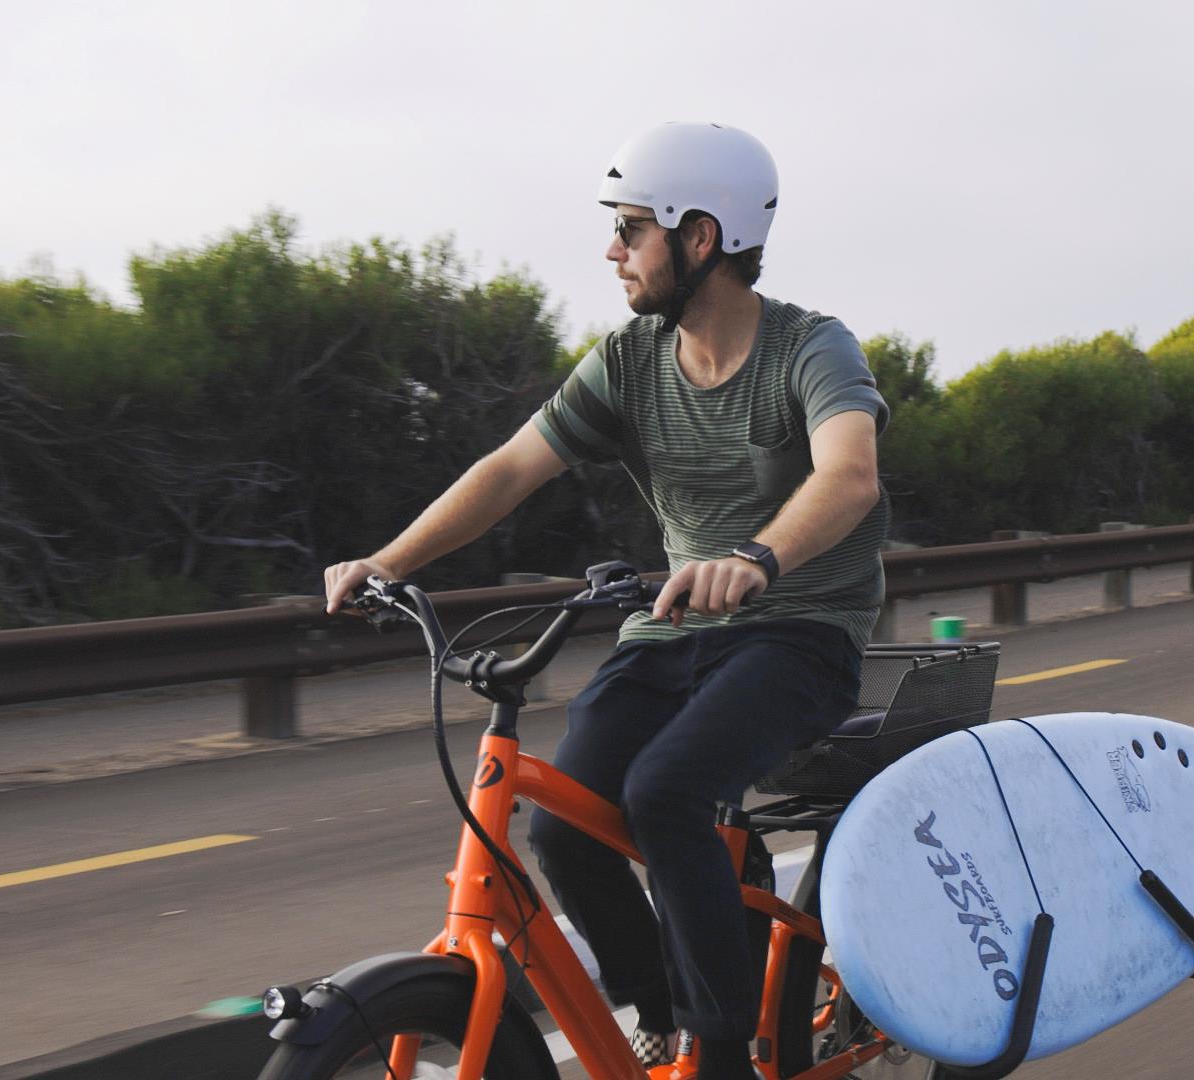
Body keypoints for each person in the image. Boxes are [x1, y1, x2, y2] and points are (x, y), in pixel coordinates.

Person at [323, 121, 888, 1079]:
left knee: (664, 791)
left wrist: (758, 555)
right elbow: (510, 469)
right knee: (559, 823)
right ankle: (659, 1010)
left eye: (631, 229)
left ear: (700, 237)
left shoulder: (811, 348)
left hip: (798, 633)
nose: (613, 251)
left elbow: (850, 476)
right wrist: (388, 561)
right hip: (673, 630)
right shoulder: (629, 361)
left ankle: (718, 1055)